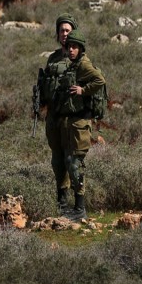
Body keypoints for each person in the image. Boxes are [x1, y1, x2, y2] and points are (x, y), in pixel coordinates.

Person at [50, 28, 105, 221]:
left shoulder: (83, 64)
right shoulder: (73, 65)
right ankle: (74, 207)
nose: (71, 50)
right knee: (68, 161)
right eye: (69, 46)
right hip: (71, 123)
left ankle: (80, 208)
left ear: (81, 48)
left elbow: (100, 80)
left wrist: (84, 90)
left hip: (81, 123)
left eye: (75, 47)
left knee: (75, 165)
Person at [39, 14, 78, 214]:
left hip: (70, 117)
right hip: (53, 115)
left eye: (67, 30)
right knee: (57, 159)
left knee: (71, 159)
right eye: (61, 30)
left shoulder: (78, 58)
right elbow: (46, 84)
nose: (64, 34)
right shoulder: (53, 58)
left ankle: (78, 202)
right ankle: (61, 199)